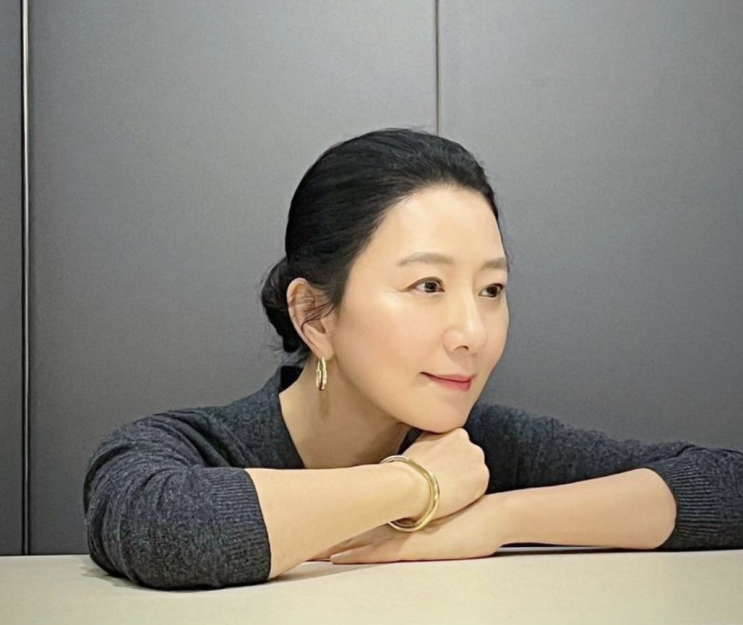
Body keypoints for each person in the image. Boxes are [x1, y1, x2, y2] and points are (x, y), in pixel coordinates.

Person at [83, 127, 743, 590]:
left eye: (491, 290)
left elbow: (726, 485)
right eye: (428, 285)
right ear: (315, 315)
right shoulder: (194, 447)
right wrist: (416, 485)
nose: (472, 332)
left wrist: (499, 518)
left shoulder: (482, 449)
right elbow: (160, 526)